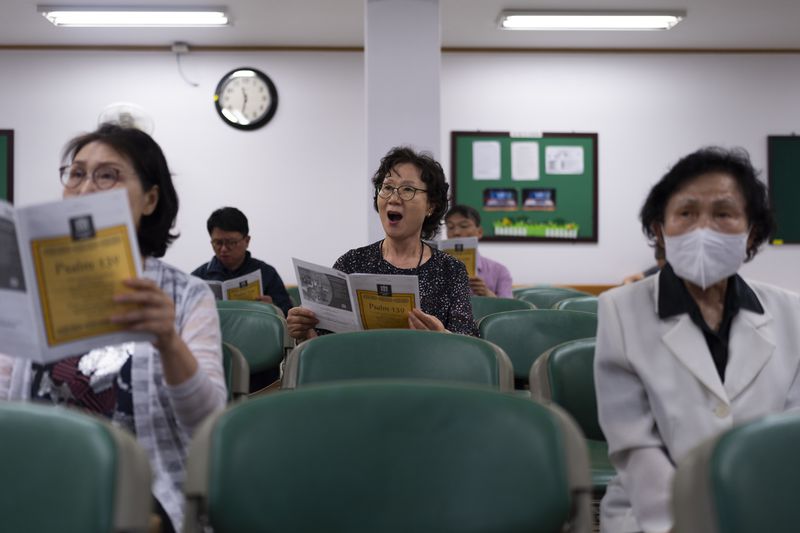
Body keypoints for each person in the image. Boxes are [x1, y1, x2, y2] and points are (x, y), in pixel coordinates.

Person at [0, 124, 227, 533]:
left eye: (107, 175)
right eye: (76, 173)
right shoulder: (29, 285)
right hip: (29, 478)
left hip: (139, 490)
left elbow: (208, 423)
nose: (86, 188)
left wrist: (168, 342)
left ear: (150, 199)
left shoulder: (186, 295)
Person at [594, 147, 800, 533]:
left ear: (751, 230)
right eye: (686, 213)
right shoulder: (620, 310)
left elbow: (788, 440)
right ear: (660, 229)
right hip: (652, 514)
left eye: (723, 213)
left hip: (763, 507)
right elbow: (635, 446)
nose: (703, 229)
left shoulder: (792, 313)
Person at [287, 146, 476, 341]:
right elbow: (326, 346)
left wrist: (442, 337)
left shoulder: (450, 270)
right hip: (360, 371)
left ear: (431, 205)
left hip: (427, 369)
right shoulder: (351, 262)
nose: (394, 198)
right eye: (387, 187)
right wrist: (305, 331)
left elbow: (468, 345)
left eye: (408, 189)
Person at [192, 206, 293, 316]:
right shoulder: (198, 277)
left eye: (231, 242)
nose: (224, 249)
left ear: (247, 240)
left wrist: (273, 308)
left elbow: (289, 315)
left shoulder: (267, 273)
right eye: (218, 242)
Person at [444, 204, 513, 298]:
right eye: (450, 227)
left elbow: (509, 310)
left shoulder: (499, 271)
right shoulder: (436, 268)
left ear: (479, 232)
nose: (456, 232)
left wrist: (486, 293)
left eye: (464, 226)